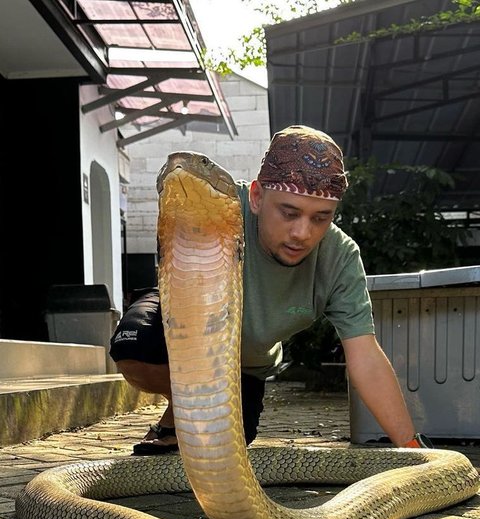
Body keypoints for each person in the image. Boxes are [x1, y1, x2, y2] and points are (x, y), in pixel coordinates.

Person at [110, 125, 428, 454]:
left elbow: (365, 356)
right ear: (257, 197)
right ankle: (185, 408)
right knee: (135, 346)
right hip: (181, 321)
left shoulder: (340, 258)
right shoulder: (217, 203)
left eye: (321, 218)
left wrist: (413, 448)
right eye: (288, 213)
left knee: (233, 440)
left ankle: (184, 421)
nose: (302, 233)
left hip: (244, 366)